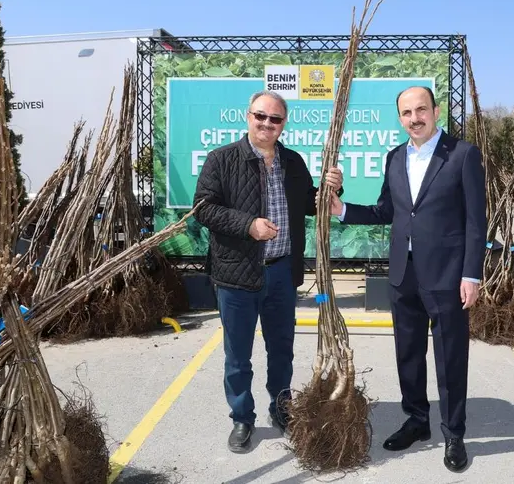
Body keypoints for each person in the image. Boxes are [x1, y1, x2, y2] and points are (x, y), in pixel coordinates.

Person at [328, 86, 486, 472]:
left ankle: (454, 434)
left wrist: (471, 274)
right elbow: (388, 211)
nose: (414, 118)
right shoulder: (395, 157)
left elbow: (475, 221)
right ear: (399, 118)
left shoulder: (463, 155)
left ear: (435, 111)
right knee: (408, 353)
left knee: (451, 358)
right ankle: (417, 421)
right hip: (403, 272)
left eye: (421, 110)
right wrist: (342, 208)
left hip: (448, 274)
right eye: (406, 113)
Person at [192, 90, 344, 454]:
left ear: (283, 124)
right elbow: (203, 208)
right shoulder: (222, 160)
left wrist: (331, 187)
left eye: (274, 119)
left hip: (280, 274)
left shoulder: (293, 162)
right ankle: (243, 418)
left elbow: (311, 204)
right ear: (248, 116)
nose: (266, 124)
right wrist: (248, 225)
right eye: (261, 116)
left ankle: (282, 409)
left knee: (282, 350)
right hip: (236, 276)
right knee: (238, 355)